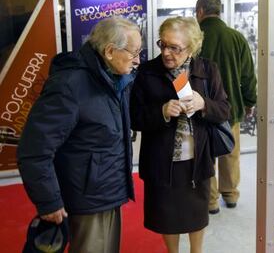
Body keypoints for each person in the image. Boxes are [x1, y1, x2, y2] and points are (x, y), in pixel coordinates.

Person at [17, 16, 141, 253]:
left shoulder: (117, 79)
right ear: (110, 51)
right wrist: (48, 201)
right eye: (133, 52)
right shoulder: (70, 85)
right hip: (87, 200)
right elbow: (34, 150)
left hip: (108, 192)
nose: (137, 60)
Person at [130, 16, 230, 253]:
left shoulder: (207, 69)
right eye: (163, 44)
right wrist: (161, 112)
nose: (166, 52)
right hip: (161, 160)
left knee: (197, 214)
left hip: (198, 159)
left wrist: (204, 103)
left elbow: (225, 109)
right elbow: (133, 116)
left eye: (174, 47)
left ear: (192, 47)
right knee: (166, 215)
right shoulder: (147, 72)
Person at [196, 0, 257, 214]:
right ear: (219, 11)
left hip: (203, 108)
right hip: (231, 108)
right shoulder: (237, 37)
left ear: (200, 12)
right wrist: (249, 101)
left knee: (206, 154)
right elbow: (248, 76)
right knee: (230, 151)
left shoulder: (196, 38)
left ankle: (210, 201)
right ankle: (230, 194)